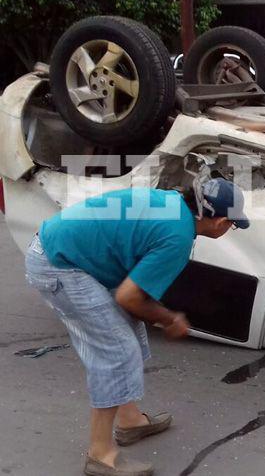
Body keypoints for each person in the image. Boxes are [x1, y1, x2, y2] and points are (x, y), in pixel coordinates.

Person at [24, 178, 250, 476]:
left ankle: (129, 421)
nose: (228, 229)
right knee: (116, 351)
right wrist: (171, 319)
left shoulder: (174, 202)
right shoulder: (178, 236)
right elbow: (129, 296)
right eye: (232, 225)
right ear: (220, 222)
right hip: (59, 264)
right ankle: (100, 455)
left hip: (65, 249)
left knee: (128, 327)